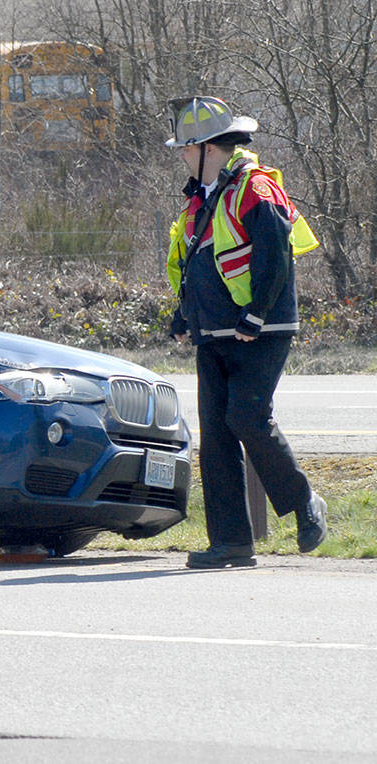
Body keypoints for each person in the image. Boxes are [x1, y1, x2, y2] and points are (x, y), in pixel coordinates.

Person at [163, 95, 327, 569]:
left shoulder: (255, 187)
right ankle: (231, 542)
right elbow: (196, 263)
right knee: (215, 437)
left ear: (208, 148)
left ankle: (303, 503)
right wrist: (183, 316)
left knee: (247, 420)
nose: (180, 155)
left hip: (261, 328)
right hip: (213, 333)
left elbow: (275, 254)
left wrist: (256, 315)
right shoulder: (201, 197)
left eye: (185, 147)